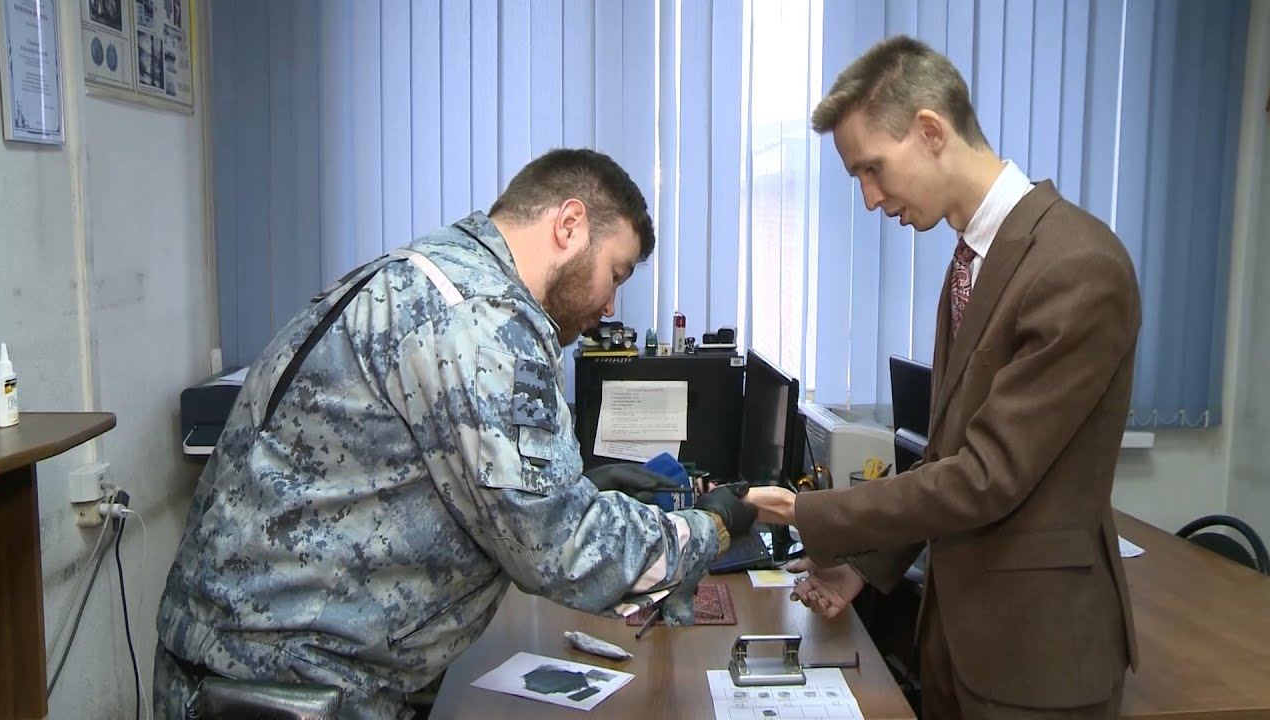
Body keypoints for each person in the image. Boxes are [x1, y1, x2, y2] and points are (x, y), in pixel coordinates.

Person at [153, 148, 755, 719]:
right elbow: (561, 550)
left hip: (251, 666)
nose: (610, 305)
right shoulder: (482, 316)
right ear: (570, 225)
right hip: (282, 688)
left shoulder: (432, 274)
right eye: (615, 273)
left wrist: (580, 486)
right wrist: (712, 526)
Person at [743, 35, 1140, 718]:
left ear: (930, 130)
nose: (870, 199)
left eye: (872, 169)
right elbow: (947, 456)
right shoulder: (972, 262)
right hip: (956, 641)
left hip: (1037, 658)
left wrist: (806, 512)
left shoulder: (1076, 264)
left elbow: (986, 476)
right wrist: (865, 567)